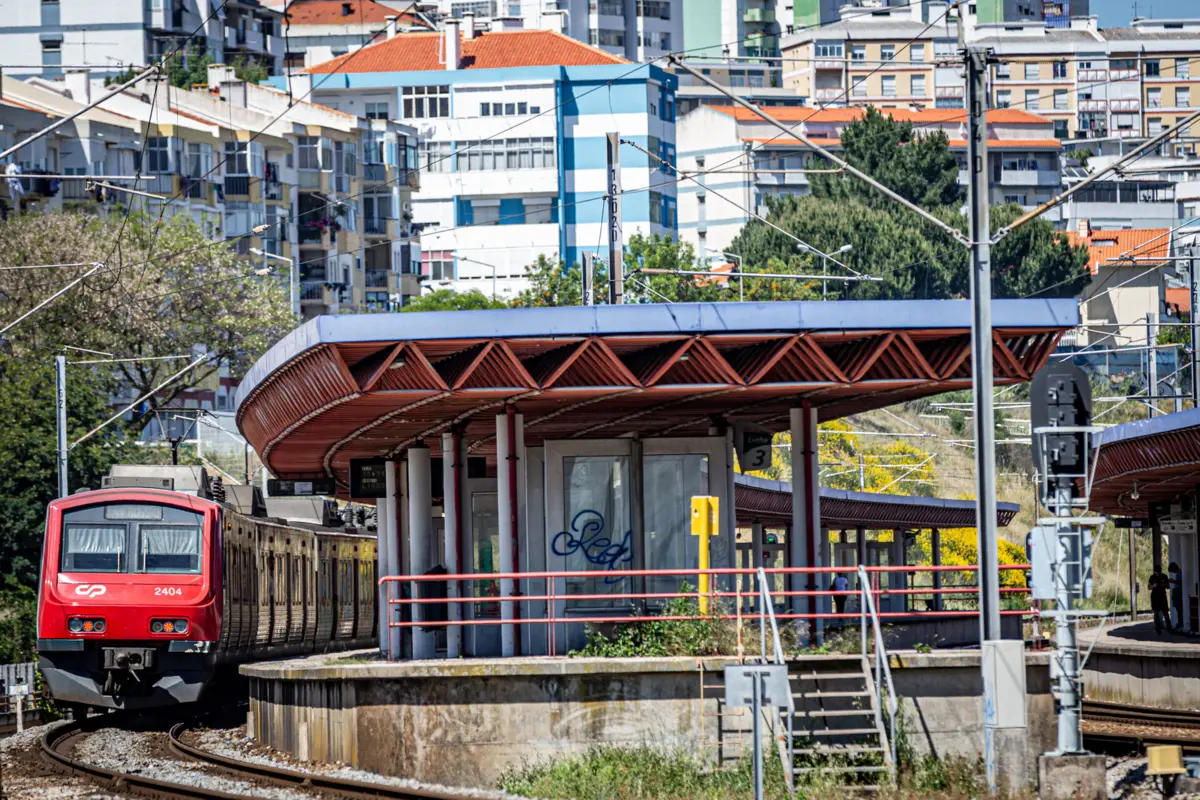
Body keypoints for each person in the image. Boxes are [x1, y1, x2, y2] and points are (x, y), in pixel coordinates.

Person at [1149, 569, 1170, 635]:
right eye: (1156, 572)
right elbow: (1149, 587)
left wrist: (1161, 585)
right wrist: (1153, 586)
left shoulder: (1164, 576)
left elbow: (1168, 586)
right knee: (1156, 613)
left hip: (1162, 596)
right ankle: (1157, 628)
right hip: (1155, 597)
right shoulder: (1152, 577)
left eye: (1159, 572)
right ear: (1155, 572)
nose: (1158, 573)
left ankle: (1169, 628)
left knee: (1165, 612)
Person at [1169, 562, 1184, 631]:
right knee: (1178, 609)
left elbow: (1181, 582)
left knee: (1179, 609)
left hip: (1179, 593)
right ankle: (1179, 622)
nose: (1173, 572)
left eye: (1172, 571)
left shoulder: (1180, 573)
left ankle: (1181, 623)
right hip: (1177, 592)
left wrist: (1173, 581)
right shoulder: (1178, 573)